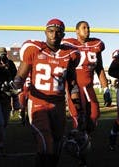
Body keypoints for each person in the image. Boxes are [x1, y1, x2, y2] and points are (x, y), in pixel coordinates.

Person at [13, 18, 81, 167]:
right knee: (46, 142)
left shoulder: (70, 54)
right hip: (38, 103)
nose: (54, 34)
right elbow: (21, 75)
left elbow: (73, 84)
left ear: (63, 35)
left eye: (58, 32)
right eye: (51, 31)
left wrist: (77, 106)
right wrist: (14, 85)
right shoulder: (35, 49)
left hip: (58, 106)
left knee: (56, 146)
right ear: (45, 32)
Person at [62, 21, 111, 133]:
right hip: (75, 87)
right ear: (77, 31)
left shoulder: (96, 44)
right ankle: (76, 145)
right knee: (79, 119)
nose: (87, 30)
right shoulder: (68, 45)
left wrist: (106, 89)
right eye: (84, 27)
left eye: (88, 27)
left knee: (94, 116)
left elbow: (99, 68)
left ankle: (84, 140)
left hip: (89, 87)